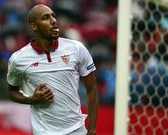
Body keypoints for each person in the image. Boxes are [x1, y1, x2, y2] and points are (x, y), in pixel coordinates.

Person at [6, 4, 99, 135]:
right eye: (46, 17)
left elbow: (92, 88)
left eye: (53, 16)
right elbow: (12, 92)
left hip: (77, 131)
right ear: (34, 26)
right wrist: (32, 100)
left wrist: (92, 130)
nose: (54, 21)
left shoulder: (76, 48)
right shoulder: (18, 59)